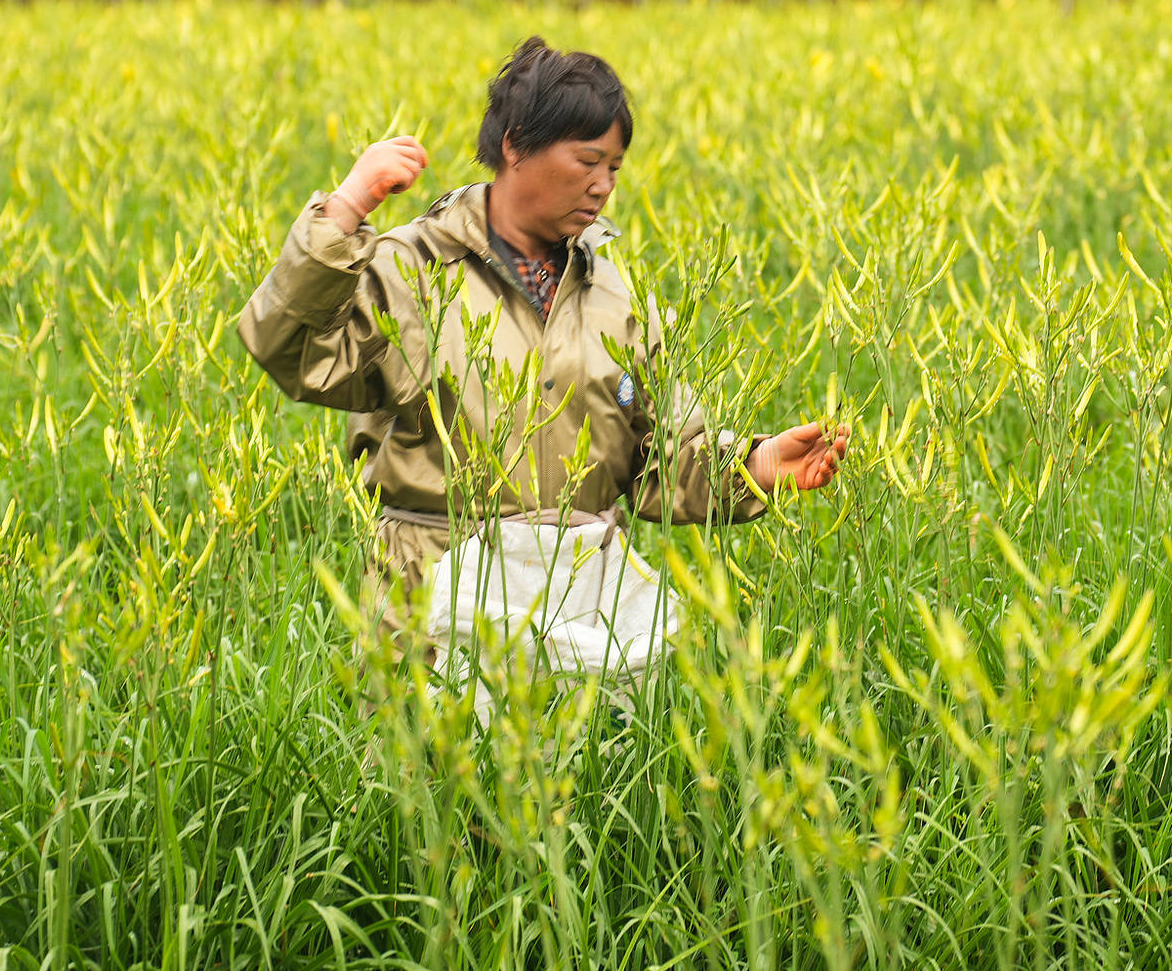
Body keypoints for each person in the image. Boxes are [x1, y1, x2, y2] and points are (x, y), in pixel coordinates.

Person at [237, 36, 849, 697]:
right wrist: (346, 211)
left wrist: (753, 468)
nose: (604, 185)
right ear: (516, 143)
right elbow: (286, 347)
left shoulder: (614, 296)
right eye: (588, 160)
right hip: (436, 603)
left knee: (577, 789)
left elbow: (653, 453)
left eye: (615, 167)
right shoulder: (411, 268)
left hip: (581, 610)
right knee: (435, 789)